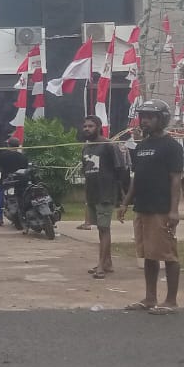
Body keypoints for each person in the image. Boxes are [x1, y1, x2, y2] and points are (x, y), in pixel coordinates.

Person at [118, 99, 184, 314]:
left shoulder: (172, 147)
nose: (144, 120)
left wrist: (174, 210)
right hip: (142, 207)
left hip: (161, 208)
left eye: (149, 117)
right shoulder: (142, 146)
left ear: (162, 119)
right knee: (148, 255)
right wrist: (125, 203)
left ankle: (171, 301)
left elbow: (176, 179)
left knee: (168, 255)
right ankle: (150, 298)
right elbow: (136, 178)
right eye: (142, 116)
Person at [81, 115, 129, 279]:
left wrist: (122, 195)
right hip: (92, 194)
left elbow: (121, 170)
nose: (87, 129)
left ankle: (101, 265)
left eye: (90, 126)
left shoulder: (109, 145)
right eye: (85, 126)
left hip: (106, 194)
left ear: (99, 127)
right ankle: (107, 262)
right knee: (100, 229)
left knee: (104, 229)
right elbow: (85, 172)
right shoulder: (86, 148)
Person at [0, 137, 29, 226]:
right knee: (23, 198)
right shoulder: (23, 157)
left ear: (8, 145)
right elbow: (25, 168)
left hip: (6, 181)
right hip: (20, 182)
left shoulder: (3, 156)